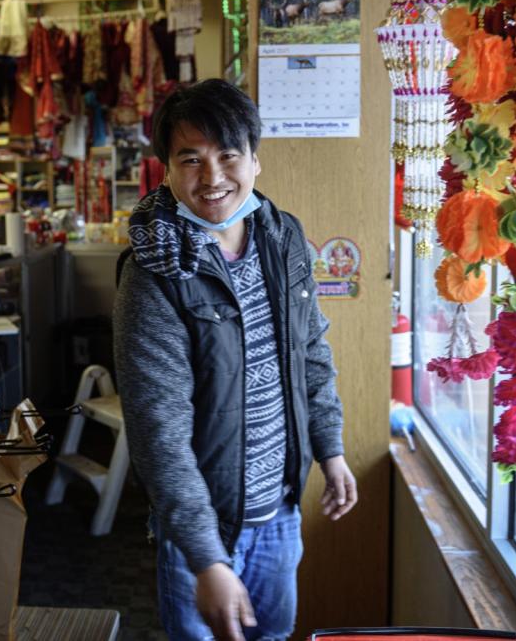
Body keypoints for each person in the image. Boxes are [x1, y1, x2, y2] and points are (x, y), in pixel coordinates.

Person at [114, 79, 357, 641]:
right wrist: (207, 559)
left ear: (254, 159)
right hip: (204, 526)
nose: (213, 176)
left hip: (281, 508)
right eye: (191, 159)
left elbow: (310, 351)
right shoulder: (154, 272)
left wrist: (331, 447)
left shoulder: (283, 235)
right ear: (167, 172)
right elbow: (158, 431)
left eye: (228, 155)